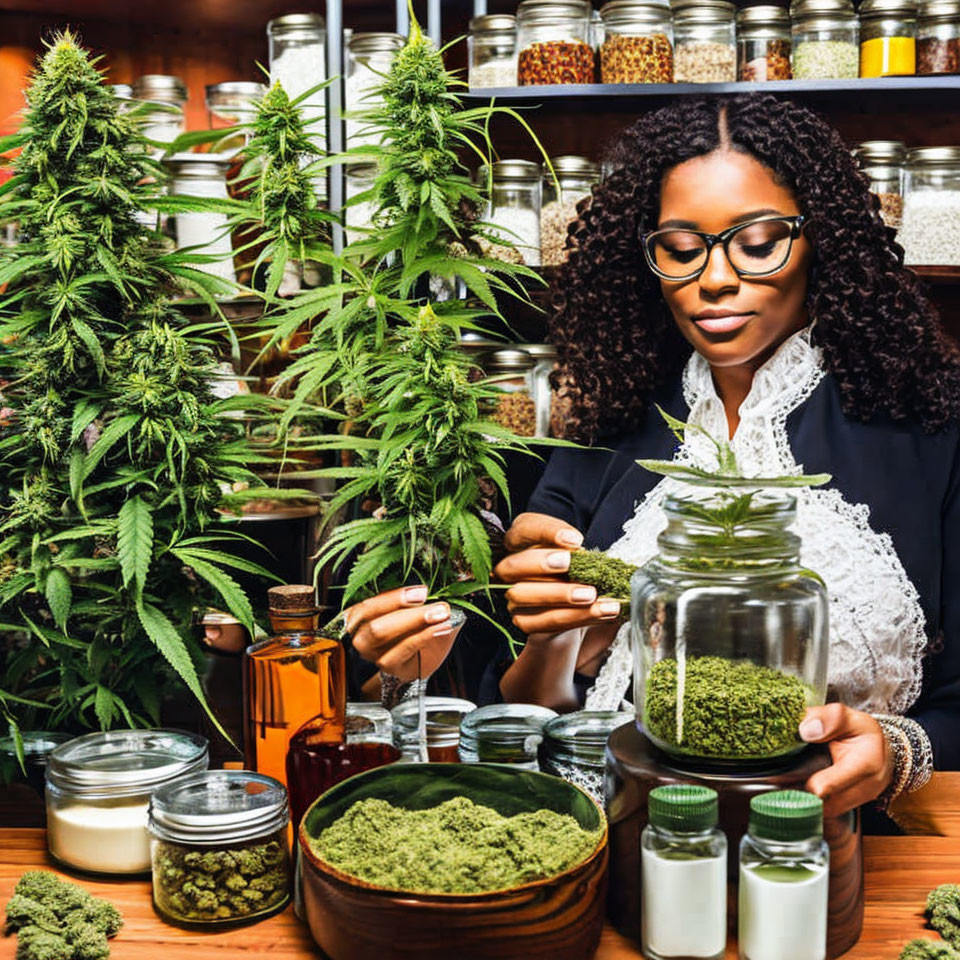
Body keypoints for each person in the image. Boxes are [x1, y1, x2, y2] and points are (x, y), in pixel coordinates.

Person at [493, 95, 960, 824]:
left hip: (831, 841)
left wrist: (892, 752)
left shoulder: (927, 428)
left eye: (758, 242)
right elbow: (538, 708)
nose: (714, 278)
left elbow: (955, 705)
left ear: (820, 242)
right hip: (623, 835)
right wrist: (555, 639)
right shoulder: (608, 427)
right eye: (681, 248)